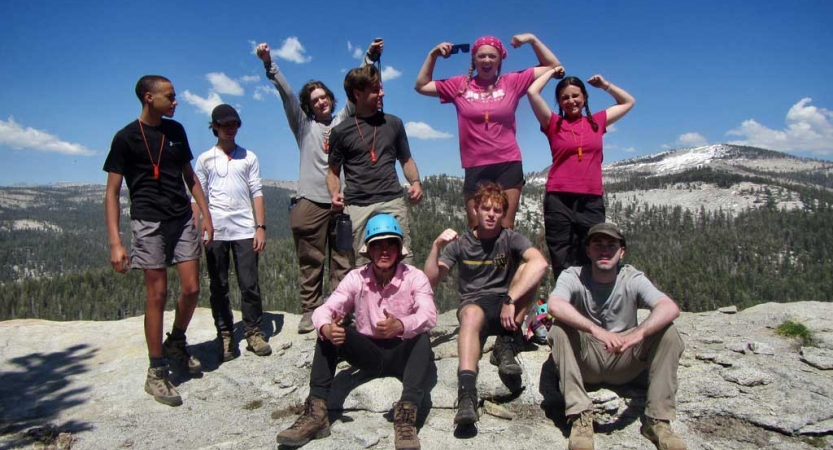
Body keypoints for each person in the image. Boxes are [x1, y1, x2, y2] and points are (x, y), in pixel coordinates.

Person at [276, 214, 437, 450]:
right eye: (377, 244)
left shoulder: (414, 277)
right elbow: (326, 309)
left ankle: (405, 417)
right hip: (368, 352)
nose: (384, 251)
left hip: (403, 352)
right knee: (329, 334)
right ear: (368, 250)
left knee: (421, 337)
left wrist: (401, 325)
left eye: (390, 244)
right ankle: (317, 413)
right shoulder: (356, 278)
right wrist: (327, 328)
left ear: (399, 248)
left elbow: (429, 315)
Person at [256, 39, 383, 334]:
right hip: (310, 202)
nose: (321, 101)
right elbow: (287, 95)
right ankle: (310, 311)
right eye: (315, 100)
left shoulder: (342, 121)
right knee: (310, 261)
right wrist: (269, 64)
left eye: (324, 97)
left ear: (332, 99)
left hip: (341, 203)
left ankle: (338, 311)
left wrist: (368, 57)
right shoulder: (303, 126)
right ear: (309, 106)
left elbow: (356, 96)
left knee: (343, 261)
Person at [104, 75, 214, 406]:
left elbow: (189, 176)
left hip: (181, 218)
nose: (176, 101)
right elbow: (111, 192)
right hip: (148, 221)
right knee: (157, 294)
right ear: (149, 98)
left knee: (192, 288)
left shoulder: (175, 132)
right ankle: (156, 371)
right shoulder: (125, 138)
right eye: (171, 96)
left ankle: (176, 342)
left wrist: (205, 212)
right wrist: (116, 242)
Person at [547, 223, 686, 450]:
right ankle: (581, 418)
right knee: (559, 329)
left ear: (621, 252)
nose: (604, 251)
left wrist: (637, 334)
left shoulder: (632, 278)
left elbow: (668, 307)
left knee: (669, 332)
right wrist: (595, 330)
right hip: (586, 360)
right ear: (588, 251)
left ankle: (657, 421)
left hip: (625, 358)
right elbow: (555, 304)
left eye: (611, 246)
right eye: (598, 245)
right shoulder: (573, 276)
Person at [424, 182, 548, 426]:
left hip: (505, 305)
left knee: (528, 267)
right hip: (476, 306)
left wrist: (510, 300)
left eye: (497, 210)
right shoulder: (461, 244)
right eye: (486, 209)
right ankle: (467, 393)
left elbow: (541, 264)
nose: (491, 214)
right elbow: (430, 280)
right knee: (469, 314)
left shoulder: (510, 237)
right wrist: (436, 247)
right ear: (475, 210)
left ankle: (507, 343)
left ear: (503, 214)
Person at [414, 34, 564, 229]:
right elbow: (421, 85)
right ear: (474, 60)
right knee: (477, 226)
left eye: (492, 56)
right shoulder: (459, 85)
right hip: (475, 164)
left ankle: (506, 260)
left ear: (500, 59)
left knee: (505, 226)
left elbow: (554, 66)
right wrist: (433, 54)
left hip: (507, 162)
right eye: (481, 56)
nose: (486, 60)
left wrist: (532, 40)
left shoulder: (512, 81)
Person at [527, 72, 635, 282]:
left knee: (594, 250)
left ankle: (592, 302)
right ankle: (565, 306)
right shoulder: (553, 123)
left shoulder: (597, 122)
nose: (571, 101)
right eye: (565, 97)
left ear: (585, 97)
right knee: (561, 254)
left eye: (575, 96)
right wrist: (551, 72)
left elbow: (628, 101)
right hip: (558, 198)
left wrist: (605, 85)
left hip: (591, 199)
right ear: (558, 102)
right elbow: (532, 92)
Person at [192, 104, 271, 361]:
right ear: (214, 126)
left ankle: (252, 332)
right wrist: (195, 229)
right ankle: (225, 334)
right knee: (219, 285)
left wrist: (260, 227)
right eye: (224, 124)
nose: (230, 128)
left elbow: (256, 192)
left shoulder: (249, 157)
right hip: (215, 230)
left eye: (234, 124)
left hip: (244, 228)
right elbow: (196, 196)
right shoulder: (205, 159)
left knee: (249, 284)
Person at [328, 64, 423, 267]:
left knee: (404, 261)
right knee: (364, 265)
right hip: (357, 205)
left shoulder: (394, 123)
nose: (382, 93)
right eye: (375, 89)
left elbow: (406, 159)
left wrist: (415, 182)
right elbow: (333, 172)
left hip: (392, 200)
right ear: (357, 93)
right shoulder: (341, 132)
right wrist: (335, 193)